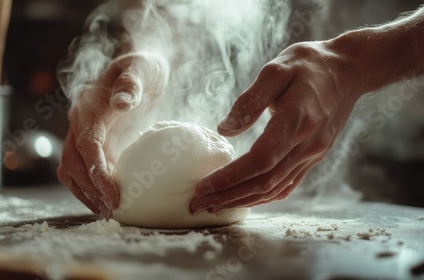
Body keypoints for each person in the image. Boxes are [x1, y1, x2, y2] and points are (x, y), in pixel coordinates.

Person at [57, 4, 424, 218]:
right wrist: (151, 54)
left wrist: (351, 63)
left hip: (399, 175)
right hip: (266, 198)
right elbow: (170, 12)